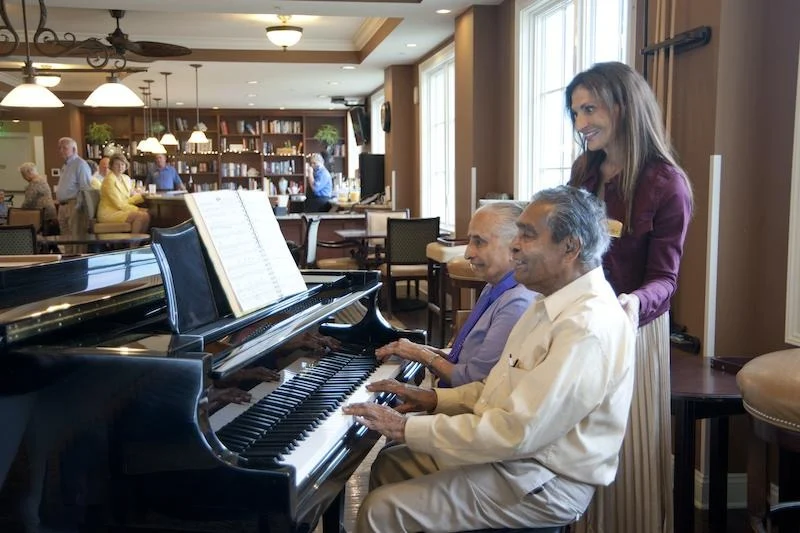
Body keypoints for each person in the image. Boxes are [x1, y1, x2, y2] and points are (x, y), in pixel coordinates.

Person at [343, 186, 636, 533]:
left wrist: (405, 427)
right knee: (391, 463)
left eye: (527, 235)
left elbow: (517, 431)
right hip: (520, 459)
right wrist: (435, 398)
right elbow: (497, 387)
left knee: (380, 511)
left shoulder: (585, 326)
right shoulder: (547, 302)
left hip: (543, 480)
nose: (515, 245)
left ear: (570, 247)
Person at [565, 61, 693, 533]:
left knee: (623, 448)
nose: (581, 123)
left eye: (589, 109)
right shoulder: (585, 170)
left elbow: (665, 279)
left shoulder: (666, 184)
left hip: (631, 328)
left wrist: (633, 304)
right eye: (576, 112)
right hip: (579, 321)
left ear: (623, 106)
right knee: (574, 439)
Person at [375, 201, 534, 387]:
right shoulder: (493, 287)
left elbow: (471, 380)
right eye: (470, 241)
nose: (467, 253)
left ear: (515, 247)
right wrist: (416, 350)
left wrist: (422, 355)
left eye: (479, 242)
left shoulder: (516, 303)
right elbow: (461, 359)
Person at [55, 137, 92, 251]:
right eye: (60, 148)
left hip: (74, 205)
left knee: (77, 239)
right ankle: (68, 260)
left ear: (74, 149)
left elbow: (85, 187)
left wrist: (78, 206)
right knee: (66, 239)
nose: (61, 151)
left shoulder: (80, 164)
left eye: (65, 148)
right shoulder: (65, 165)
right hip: (63, 206)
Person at [98, 154, 150, 234]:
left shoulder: (125, 178)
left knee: (147, 214)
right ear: (111, 166)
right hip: (110, 213)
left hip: (120, 209)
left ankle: (140, 240)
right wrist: (137, 209)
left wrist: (142, 196)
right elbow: (119, 204)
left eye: (122, 164)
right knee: (142, 215)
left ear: (126, 166)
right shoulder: (109, 180)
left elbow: (127, 199)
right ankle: (134, 241)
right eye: (117, 164)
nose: (120, 167)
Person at [19, 162, 59, 235]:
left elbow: (29, 201)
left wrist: (19, 212)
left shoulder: (34, 183)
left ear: (29, 172)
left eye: (23, 175)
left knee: (44, 238)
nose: (23, 178)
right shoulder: (41, 180)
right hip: (49, 213)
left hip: (43, 215)